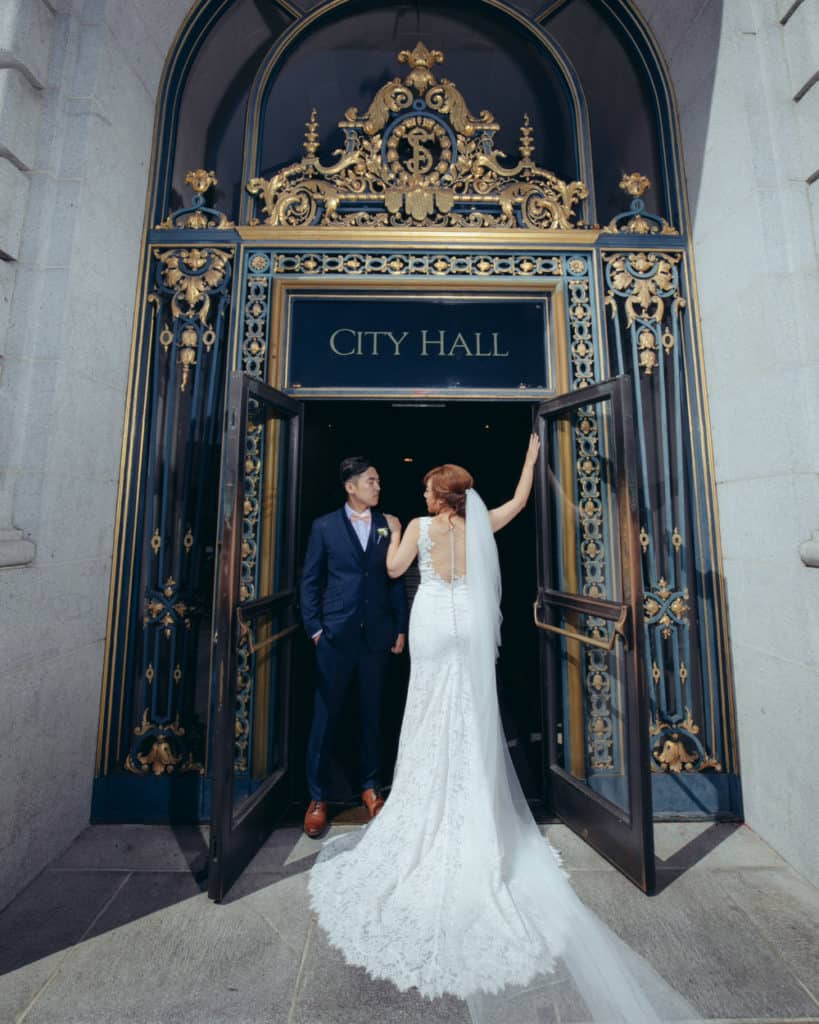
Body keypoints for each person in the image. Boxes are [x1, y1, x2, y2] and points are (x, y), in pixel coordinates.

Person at [307, 439, 702, 1023]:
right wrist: (530, 459)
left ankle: (419, 801)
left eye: (425, 488)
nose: (417, 491)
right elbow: (518, 502)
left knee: (425, 715)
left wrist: (392, 533)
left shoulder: (415, 524)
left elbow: (391, 570)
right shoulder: (480, 526)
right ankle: (473, 815)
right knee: (471, 717)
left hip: (432, 628)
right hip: (467, 628)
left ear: (438, 496)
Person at [299, 456, 408, 839]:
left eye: (378, 481)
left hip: (376, 637)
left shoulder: (388, 525)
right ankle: (317, 798)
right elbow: (310, 581)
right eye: (372, 481)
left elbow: (394, 578)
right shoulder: (324, 526)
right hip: (335, 637)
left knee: (372, 714)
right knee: (325, 717)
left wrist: (400, 627)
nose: (378, 487)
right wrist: (315, 629)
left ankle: (370, 787)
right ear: (351, 486)